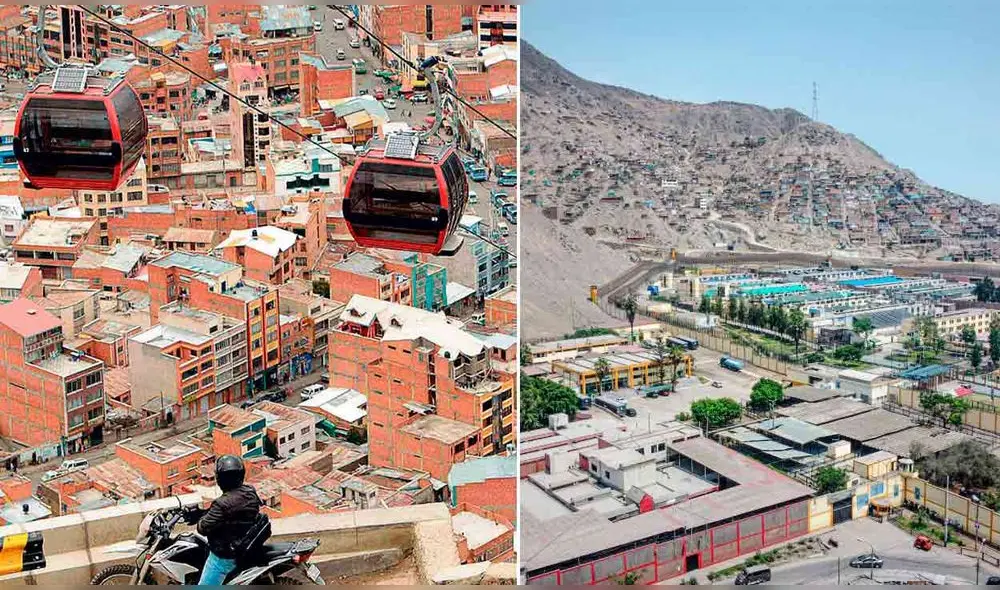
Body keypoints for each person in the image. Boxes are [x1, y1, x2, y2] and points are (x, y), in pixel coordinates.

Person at [194, 455, 263, 585]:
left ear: (220, 479)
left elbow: (202, 528)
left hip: (225, 556)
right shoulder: (250, 491)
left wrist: (201, 519)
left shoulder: (221, 504)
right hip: (245, 546)